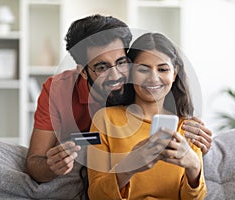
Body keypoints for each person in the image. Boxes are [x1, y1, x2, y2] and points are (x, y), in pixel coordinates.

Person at [25, 14, 211, 198]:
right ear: (83, 72)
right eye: (102, 67)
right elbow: (35, 161)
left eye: (121, 62)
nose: (115, 76)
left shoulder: (149, 87)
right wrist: (51, 167)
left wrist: (198, 151)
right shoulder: (60, 91)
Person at [87, 32, 206, 199]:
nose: (153, 78)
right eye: (143, 69)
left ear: (174, 73)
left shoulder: (187, 127)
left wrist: (194, 167)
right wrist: (128, 167)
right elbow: (95, 195)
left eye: (163, 69)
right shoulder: (105, 119)